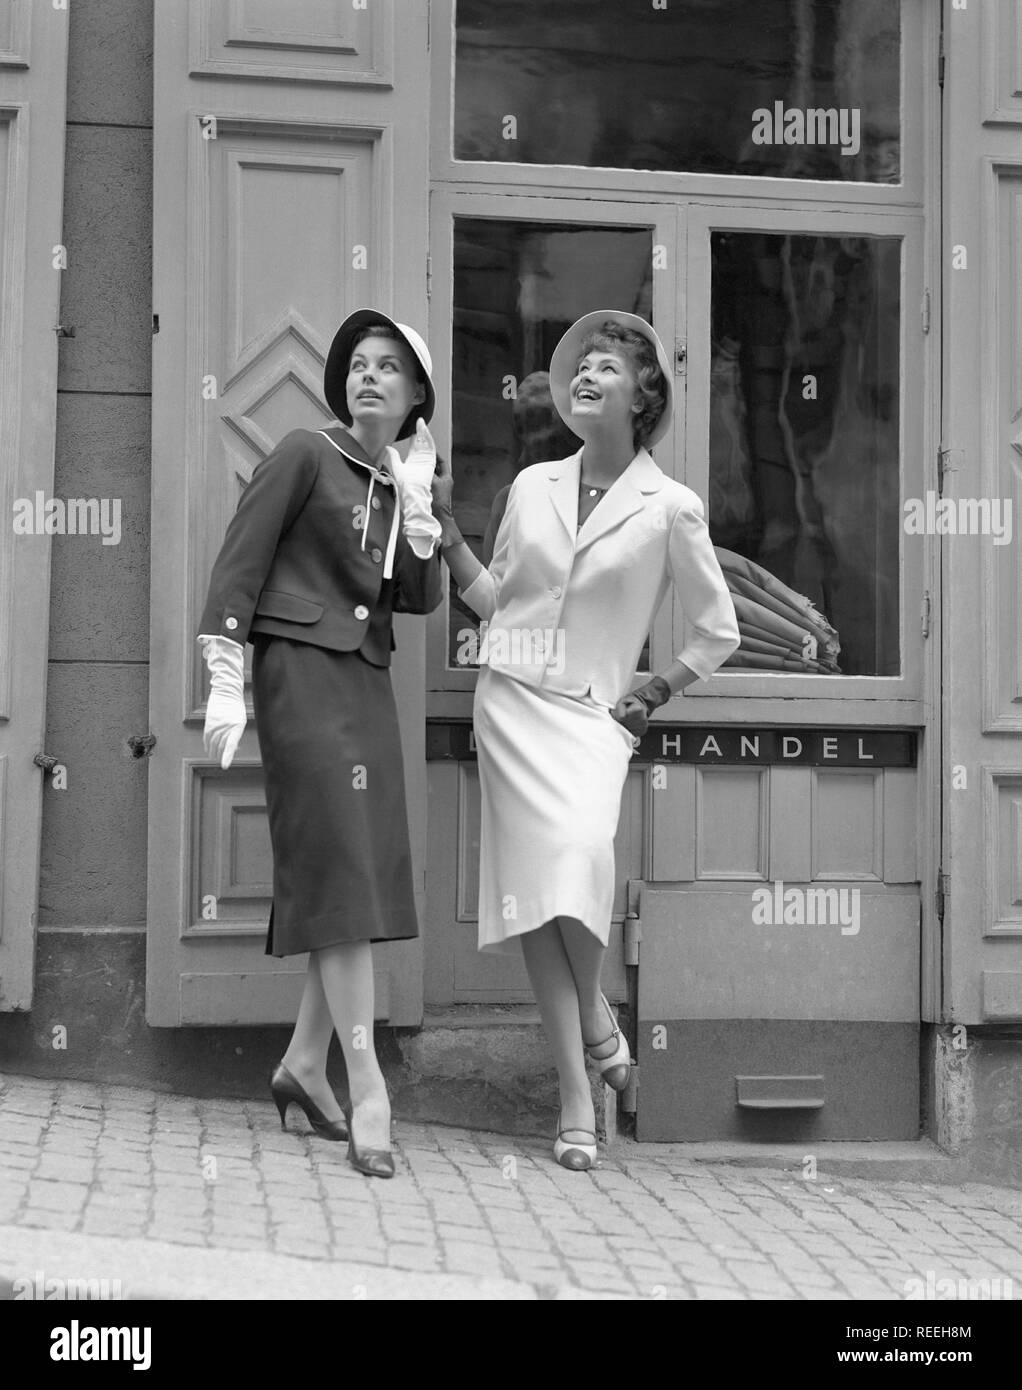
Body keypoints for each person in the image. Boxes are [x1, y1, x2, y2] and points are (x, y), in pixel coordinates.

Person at [431, 311, 740, 1170]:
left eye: (607, 365)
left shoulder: (671, 507)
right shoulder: (530, 485)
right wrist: (451, 533)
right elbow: (500, 602)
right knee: (538, 901)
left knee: (576, 863)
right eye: (580, 366)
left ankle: (600, 1016)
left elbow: (717, 632)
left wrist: (657, 688)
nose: (586, 375)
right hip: (510, 705)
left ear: (644, 397)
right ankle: (578, 1088)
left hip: (594, 718)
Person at [197, 308, 443, 1178]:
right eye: (359, 364)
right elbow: (240, 560)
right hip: (300, 676)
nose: (367, 376)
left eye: (389, 368)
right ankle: (367, 1080)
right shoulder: (305, 451)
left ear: (416, 397)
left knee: (354, 877)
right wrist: (225, 673)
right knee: (341, 864)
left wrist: (421, 507)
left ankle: (304, 1064)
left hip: (364, 683)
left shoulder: (405, 477)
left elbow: (418, 598)